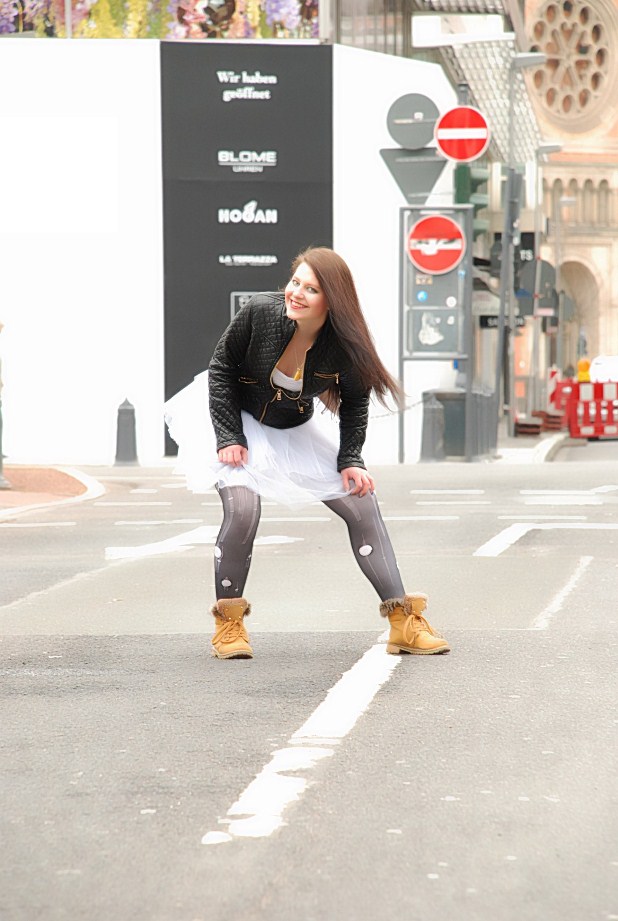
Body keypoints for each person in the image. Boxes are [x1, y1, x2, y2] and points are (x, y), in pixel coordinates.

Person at [165, 247, 450, 659]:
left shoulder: (344, 346)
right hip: (233, 415)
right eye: (295, 282)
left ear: (332, 300)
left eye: (311, 289)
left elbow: (355, 403)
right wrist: (229, 436)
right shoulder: (260, 311)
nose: (296, 293)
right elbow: (222, 369)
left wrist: (351, 459)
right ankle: (229, 626)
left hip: (292, 426)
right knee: (243, 510)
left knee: (362, 501)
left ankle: (403, 622)